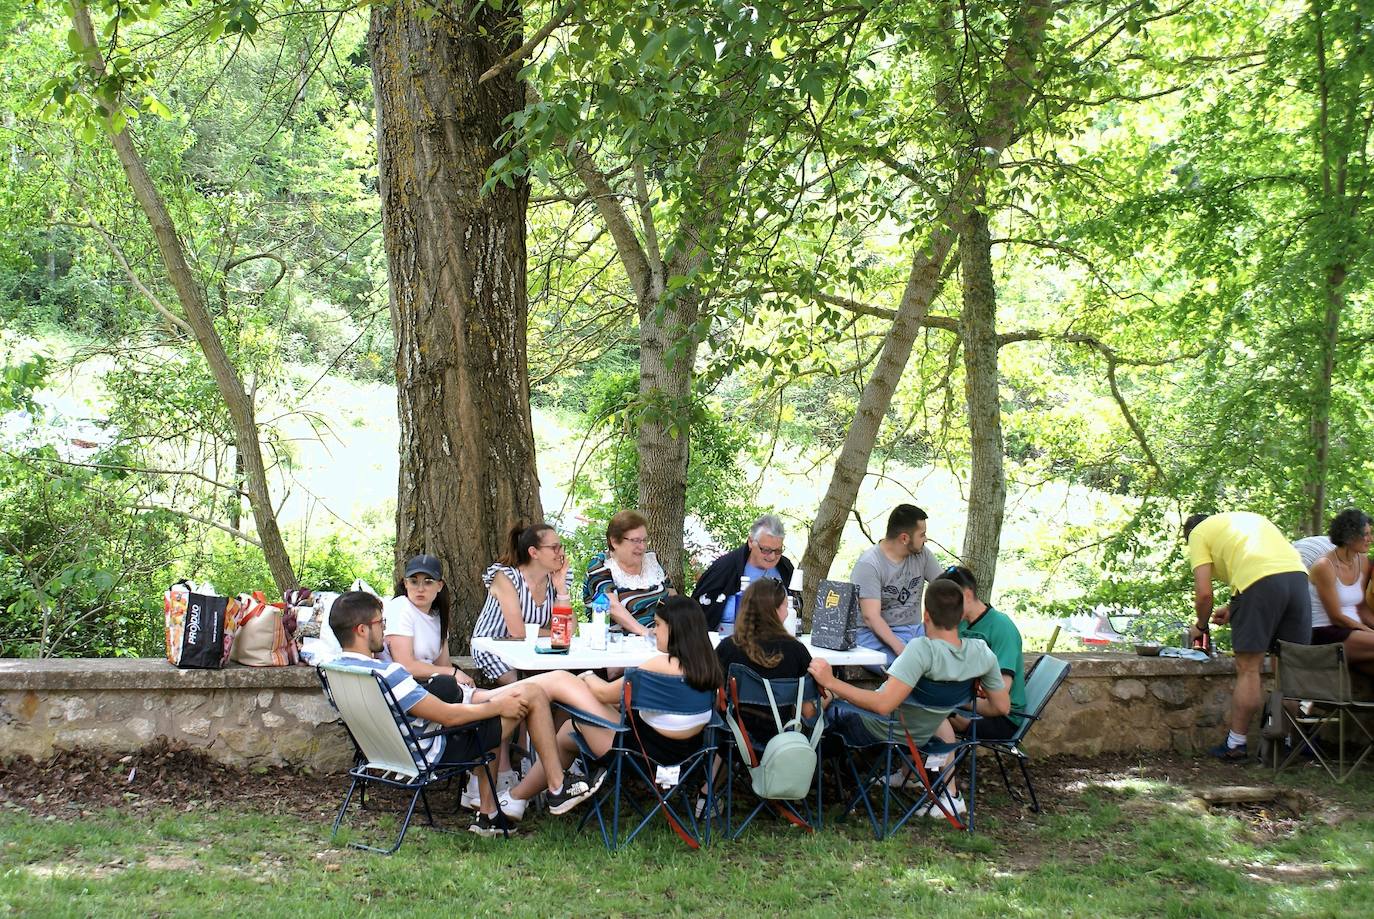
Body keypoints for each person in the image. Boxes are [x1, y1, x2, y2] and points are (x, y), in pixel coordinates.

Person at [328, 590, 594, 837]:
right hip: (430, 752)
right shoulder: (388, 675)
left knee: (475, 705)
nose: (385, 632)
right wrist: (497, 706)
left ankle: (488, 814)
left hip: (384, 752)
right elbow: (449, 717)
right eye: (380, 623)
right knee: (532, 694)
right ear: (361, 630)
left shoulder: (333, 671)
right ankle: (558, 787)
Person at [808, 579, 1008, 817]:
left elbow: (883, 705)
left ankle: (796, 777)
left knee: (821, 703)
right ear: (962, 614)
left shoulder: (920, 650)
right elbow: (1002, 707)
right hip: (924, 732)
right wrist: (954, 698)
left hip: (880, 727)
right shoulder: (981, 653)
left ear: (926, 615)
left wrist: (831, 682)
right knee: (834, 695)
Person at [1183, 511, 1310, 761]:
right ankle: (1284, 744)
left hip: (1259, 585)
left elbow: (1204, 594)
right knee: (1288, 668)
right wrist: (1234, 609)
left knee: (1249, 668)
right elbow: (1271, 573)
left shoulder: (1198, 534)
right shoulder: (1247, 520)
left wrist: (1201, 625)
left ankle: (1236, 744)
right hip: (1298, 579)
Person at [575, 597, 723, 769]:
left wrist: (586, 674)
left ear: (674, 629)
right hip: (690, 756)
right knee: (565, 735)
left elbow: (603, 693)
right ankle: (560, 786)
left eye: (658, 625)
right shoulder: (709, 665)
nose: (653, 631)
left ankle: (557, 787)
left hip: (639, 755)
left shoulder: (660, 665)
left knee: (566, 685)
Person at [716, 578, 814, 741]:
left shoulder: (728, 648)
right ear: (775, 611)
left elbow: (716, 696)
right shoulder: (796, 651)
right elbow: (808, 711)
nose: (788, 611)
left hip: (734, 740)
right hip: (784, 739)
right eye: (785, 605)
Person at [470, 523, 568, 686]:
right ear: (533, 552)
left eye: (561, 546)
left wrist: (562, 589)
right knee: (522, 687)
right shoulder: (507, 577)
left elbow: (568, 630)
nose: (561, 553)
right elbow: (517, 632)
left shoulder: (555, 579)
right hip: (493, 647)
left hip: (532, 647)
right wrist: (556, 633)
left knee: (567, 680)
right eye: (554, 548)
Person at [936, 565, 1025, 741]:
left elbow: (1001, 695)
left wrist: (951, 699)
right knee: (916, 706)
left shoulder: (1001, 627)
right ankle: (916, 768)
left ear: (967, 595)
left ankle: (937, 767)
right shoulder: (957, 625)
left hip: (1001, 718)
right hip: (964, 703)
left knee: (932, 715)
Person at [850, 504, 946, 666]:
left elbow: (946, 588)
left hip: (915, 631)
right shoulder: (869, 564)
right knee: (910, 668)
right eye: (922, 535)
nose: (926, 539)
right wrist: (901, 650)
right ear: (904, 538)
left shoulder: (922, 554)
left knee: (948, 658)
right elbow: (871, 617)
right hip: (874, 635)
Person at [384, 554, 474, 703]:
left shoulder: (439, 616)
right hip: (406, 693)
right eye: (414, 582)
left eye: (428, 582)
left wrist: (458, 679)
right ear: (405, 584)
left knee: (514, 701)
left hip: (434, 689)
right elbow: (406, 666)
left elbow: (443, 664)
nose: (420, 589)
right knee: (506, 701)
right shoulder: (400, 607)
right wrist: (453, 673)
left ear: (439, 586)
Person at [692, 514, 795, 635]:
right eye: (766, 550)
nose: (772, 556)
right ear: (751, 542)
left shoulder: (785, 567)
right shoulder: (726, 568)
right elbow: (699, 611)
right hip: (728, 643)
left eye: (778, 551)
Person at [582, 510, 675, 636]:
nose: (642, 546)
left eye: (644, 540)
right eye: (635, 540)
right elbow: (612, 606)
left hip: (660, 640)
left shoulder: (652, 562)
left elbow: (674, 599)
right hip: (618, 646)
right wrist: (646, 633)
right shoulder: (601, 565)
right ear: (614, 542)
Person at [1306, 508, 1374, 676]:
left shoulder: (1363, 562)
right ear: (1350, 535)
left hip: (1354, 632)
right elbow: (1336, 617)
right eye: (1365, 535)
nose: (1370, 540)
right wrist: (1369, 632)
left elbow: (1362, 607)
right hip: (1325, 633)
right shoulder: (1324, 566)